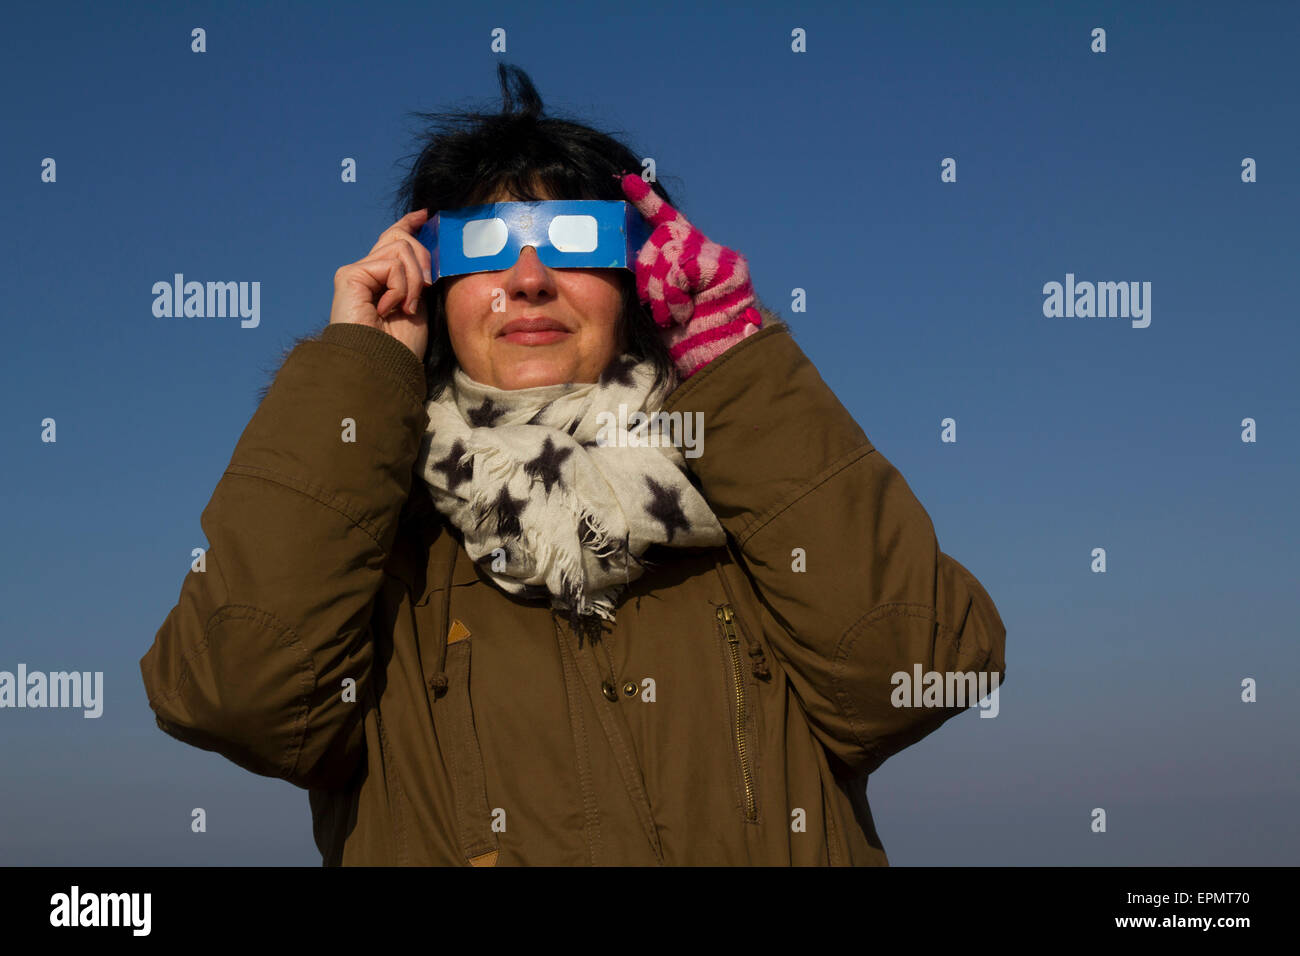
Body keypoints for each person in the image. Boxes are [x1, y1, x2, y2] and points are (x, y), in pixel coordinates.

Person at [139, 64, 1007, 866]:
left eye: (576, 238)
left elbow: (910, 670)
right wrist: (358, 376)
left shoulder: (746, 511)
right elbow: (235, 696)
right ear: (430, 284)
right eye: (481, 244)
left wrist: (737, 365)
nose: (527, 278)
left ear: (636, 277)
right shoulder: (378, 556)